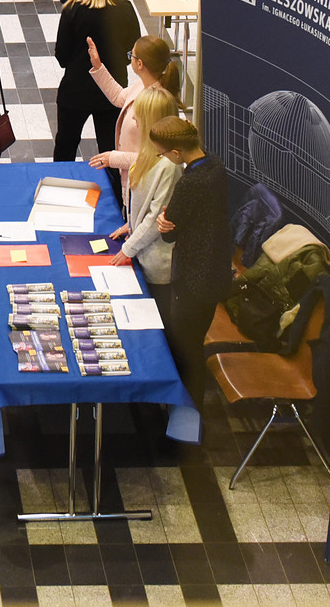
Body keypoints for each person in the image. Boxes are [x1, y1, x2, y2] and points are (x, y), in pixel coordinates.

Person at [151, 116, 232, 405]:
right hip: (215, 271)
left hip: (193, 278)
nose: (162, 157)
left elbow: (169, 233)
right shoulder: (216, 165)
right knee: (193, 342)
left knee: (187, 348)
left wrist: (163, 222)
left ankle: (188, 407)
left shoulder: (189, 184)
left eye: (162, 153)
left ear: (176, 153)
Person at [54, 0, 148, 196]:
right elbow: (132, 50)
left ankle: (58, 192)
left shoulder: (71, 10)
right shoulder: (125, 8)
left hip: (75, 90)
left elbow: (61, 57)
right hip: (112, 92)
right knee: (111, 150)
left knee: (65, 145)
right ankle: (116, 199)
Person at [85, 33, 182, 209]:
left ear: (140, 64)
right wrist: (98, 66)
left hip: (143, 184)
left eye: (132, 55)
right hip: (132, 178)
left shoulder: (156, 105)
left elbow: (156, 157)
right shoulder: (142, 85)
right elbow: (119, 97)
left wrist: (114, 158)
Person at [106, 89, 183, 304]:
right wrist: (131, 224)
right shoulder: (147, 154)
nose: (134, 120)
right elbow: (141, 203)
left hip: (156, 267)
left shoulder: (169, 166)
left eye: (138, 116)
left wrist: (128, 249)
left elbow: (155, 217)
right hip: (140, 251)